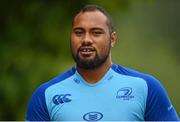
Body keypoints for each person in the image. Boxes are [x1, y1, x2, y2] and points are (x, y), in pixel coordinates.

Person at [26, 5, 179, 121]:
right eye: (79, 32)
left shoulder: (146, 88)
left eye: (96, 33)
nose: (86, 39)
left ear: (112, 39)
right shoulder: (45, 95)